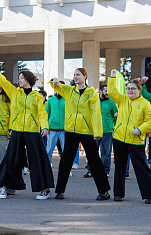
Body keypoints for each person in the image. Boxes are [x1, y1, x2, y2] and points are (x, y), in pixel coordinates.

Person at [0, 58, 54, 200]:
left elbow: (42, 113)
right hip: (17, 130)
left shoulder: (37, 96)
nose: (20, 80)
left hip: (32, 131)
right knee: (11, 159)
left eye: (22, 78)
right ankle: (6, 187)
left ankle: (44, 189)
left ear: (29, 79)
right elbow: (3, 81)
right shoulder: (14, 92)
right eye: (19, 78)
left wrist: (45, 127)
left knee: (36, 159)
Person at [51, 68, 110, 200]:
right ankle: (59, 191)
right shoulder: (70, 90)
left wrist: (97, 132)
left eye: (78, 75)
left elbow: (96, 113)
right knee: (65, 160)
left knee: (94, 161)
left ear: (85, 76)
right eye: (74, 75)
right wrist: (54, 80)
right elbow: (55, 85)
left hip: (86, 131)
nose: (75, 77)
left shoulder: (91, 93)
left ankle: (104, 191)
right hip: (71, 130)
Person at [108, 69, 151, 204]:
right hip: (119, 138)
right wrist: (112, 77)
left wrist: (140, 130)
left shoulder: (145, 103)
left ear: (139, 90)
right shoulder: (122, 99)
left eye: (132, 88)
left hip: (135, 140)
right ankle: (118, 194)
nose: (129, 91)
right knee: (119, 167)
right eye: (128, 88)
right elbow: (111, 92)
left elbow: (150, 120)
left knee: (141, 168)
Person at [84, 84, 118, 178]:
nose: (108, 93)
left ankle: (105, 171)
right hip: (94, 131)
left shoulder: (112, 103)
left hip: (107, 132)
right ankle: (91, 171)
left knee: (106, 153)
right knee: (92, 152)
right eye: (106, 91)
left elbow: (116, 117)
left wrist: (113, 127)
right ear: (100, 91)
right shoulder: (94, 101)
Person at [45, 81, 66, 166]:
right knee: (49, 150)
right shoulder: (51, 100)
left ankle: (65, 167)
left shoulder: (67, 99)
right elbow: (46, 114)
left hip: (64, 129)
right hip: (52, 129)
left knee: (65, 150)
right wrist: (46, 127)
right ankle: (48, 165)